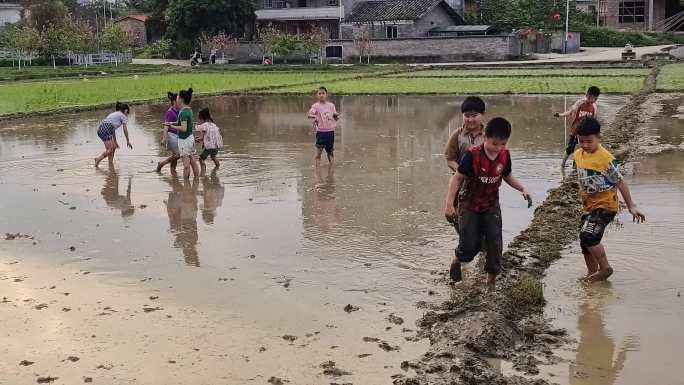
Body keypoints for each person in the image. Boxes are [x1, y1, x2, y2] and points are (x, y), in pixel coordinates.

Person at [444, 117, 530, 288]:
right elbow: (457, 178)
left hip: (491, 204)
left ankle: (490, 282)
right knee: (470, 245)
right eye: (494, 144)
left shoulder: (505, 155)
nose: (498, 148)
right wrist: (449, 204)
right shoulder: (472, 155)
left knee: (495, 243)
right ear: (485, 137)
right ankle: (458, 258)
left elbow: (507, 176)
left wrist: (523, 189)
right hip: (470, 204)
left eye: (502, 144)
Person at [573, 117, 645, 283]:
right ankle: (592, 273)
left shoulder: (606, 159)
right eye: (581, 141)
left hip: (606, 206)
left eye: (589, 141)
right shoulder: (578, 155)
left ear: (599, 138)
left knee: (588, 235)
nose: (584, 145)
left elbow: (620, 182)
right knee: (584, 241)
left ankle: (605, 268)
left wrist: (631, 206)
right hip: (589, 207)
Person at [444, 96, 486, 230]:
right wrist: (462, 171)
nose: (470, 119)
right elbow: (450, 159)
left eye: (474, 115)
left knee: (483, 220)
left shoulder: (488, 136)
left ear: (482, 115)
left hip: (483, 184)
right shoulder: (457, 135)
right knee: (459, 220)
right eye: (467, 115)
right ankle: (463, 242)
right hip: (459, 184)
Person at [555, 86, 601, 171]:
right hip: (575, 130)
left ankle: (575, 166)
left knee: (583, 149)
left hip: (585, 132)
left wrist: (596, 133)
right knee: (570, 148)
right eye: (592, 98)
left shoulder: (594, 107)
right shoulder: (580, 103)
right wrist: (560, 115)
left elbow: (594, 120)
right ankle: (562, 165)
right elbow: (570, 111)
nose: (594, 100)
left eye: (595, 99)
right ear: (587, 95)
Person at [165, 88, 200, 179]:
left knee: (186, 166)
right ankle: (196, 180)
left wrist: (172, 127)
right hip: (190, 138)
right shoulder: (189, 110)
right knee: (192, 161)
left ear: (181, 99)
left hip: (184, 140)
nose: (176, 98)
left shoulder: (183, 112)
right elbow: (184, 124)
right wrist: (172, 123)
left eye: (177, 97)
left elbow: (183, 128)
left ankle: (186, 188)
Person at [307, 86, 339, 167]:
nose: (321, 95)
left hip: (330, 132)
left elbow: (336, 117)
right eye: (319, 93)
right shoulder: (315, 106)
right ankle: (317, 170)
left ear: (326, 95)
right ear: (317, 95)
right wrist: (315, 117)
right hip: (321, 132)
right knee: (319, 153)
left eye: (323, 93)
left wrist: (336, 116)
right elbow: (309, 115)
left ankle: (332, 169)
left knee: (330, 152)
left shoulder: (331, 105)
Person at [95, 102, 132, 167]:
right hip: (106, 129)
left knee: (114, 147)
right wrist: (128, 141)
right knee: (110, 150)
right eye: (127, 112)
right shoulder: (123, 116)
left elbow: (112, 129)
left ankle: (110, 163)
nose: (127, 114)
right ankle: (98, 159)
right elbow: (125, 130)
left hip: (102, 128)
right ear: (126, 110)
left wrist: (115, 142)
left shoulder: (116, 113)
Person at [157, 92, 180, 173]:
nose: (180, 102)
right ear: (174, 102)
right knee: (177, 155)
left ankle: (173, 173)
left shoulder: (178, 111)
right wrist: (164, 138)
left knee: (175, 156)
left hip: (177, 135)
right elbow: (166, 125)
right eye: (179, 100)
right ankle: (161, 164)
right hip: (172, 136)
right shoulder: (170, 112)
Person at [195, 107, 223, 174]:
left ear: (202, 118)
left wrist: (197, 139)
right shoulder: (213, 125)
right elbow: (209, 136)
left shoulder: (204, 126)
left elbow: (202, 138)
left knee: (201, 159)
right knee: (213, 156)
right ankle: (217, 167)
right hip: (216, 146)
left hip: (209, 146)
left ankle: (203, 173)